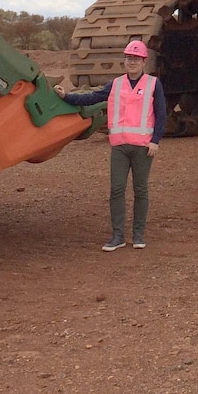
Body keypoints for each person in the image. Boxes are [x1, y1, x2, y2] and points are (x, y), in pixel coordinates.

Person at [55, 39, 167, 250]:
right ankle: (118, 236)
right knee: (117, 190)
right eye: (128, 58)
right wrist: (66, 96)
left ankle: (138, 234)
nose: (131, 62)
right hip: (120, 146)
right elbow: (92, 98)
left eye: (136, 59)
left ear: (144, 62)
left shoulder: (153, 84)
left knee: (140, 190)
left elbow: (161, 114)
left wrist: (155, 141)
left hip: (143, 147)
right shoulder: (116, 84)